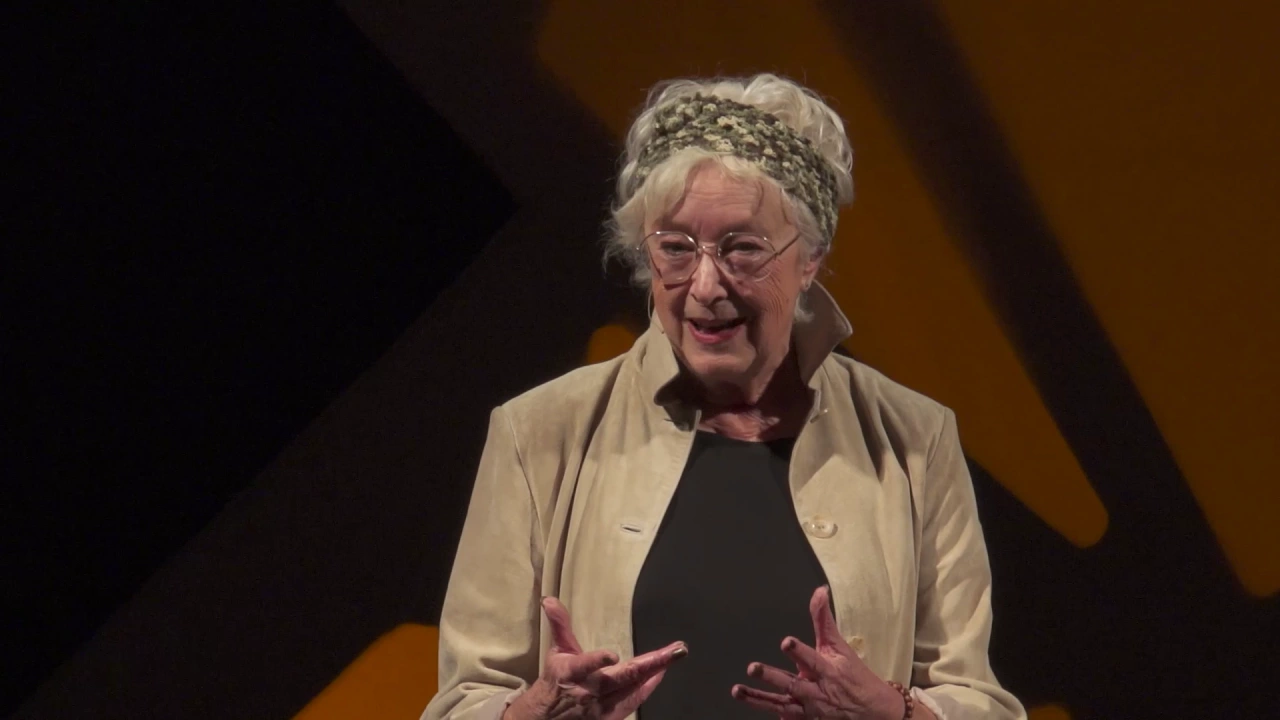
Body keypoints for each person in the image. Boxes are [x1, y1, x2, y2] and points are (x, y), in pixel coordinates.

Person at [423, 74, 1026, 720]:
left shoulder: (914, 440)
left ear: (811, 257)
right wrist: (535, 713)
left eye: (743, 249)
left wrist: (895, 713)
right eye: (675, 249)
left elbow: (977, 699)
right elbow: (462, 701)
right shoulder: (539, 433)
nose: (706, 286)